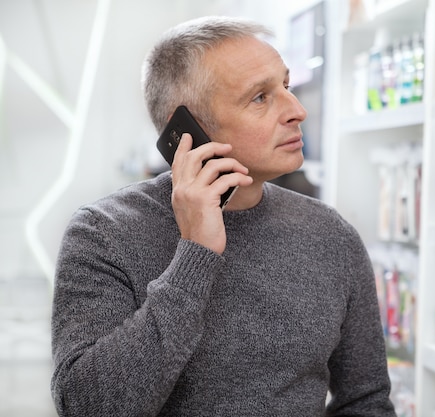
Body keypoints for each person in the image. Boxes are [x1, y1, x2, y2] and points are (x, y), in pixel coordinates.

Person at [50, 16, 396, 417]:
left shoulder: (330, 234)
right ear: (189, 129)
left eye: (285, 86)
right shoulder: (103, 233)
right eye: (260, 98)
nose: (297, 110)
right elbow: (87, 407)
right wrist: (195, 254)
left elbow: (365, 400)